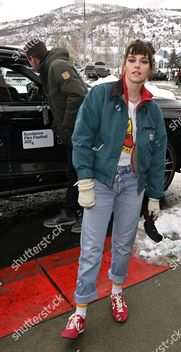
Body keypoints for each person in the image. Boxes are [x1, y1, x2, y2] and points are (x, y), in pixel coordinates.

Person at [61, 39, 167, 339]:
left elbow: (157, 156)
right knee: (91, 247)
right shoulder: (100, 95)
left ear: (150, 68)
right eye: (132, 59)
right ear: (124, 64)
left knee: (123, 243)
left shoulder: (152, 110)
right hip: (101, 181)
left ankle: (117, 290)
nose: (137, 66)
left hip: (133, 184)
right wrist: (85, 180)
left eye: (143, 61)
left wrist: (155, 195)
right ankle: (80, 311)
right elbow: (82, 138)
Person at [24, 40, 88, 233]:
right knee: (74, 173)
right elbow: (59, 100)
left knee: (85, 175)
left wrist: (66, 124)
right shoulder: (49, 69)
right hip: (71, 133)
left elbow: (78, 94)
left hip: (79, 132)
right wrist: (56, 124)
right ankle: (69, 212)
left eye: (29, 62)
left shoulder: (57, 66)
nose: (30, 65)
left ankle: (88, 217)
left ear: (33, 59)